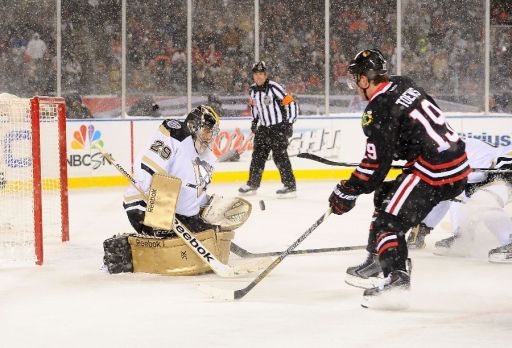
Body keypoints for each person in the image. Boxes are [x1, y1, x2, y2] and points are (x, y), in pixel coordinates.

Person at [327, 49, 470, 307]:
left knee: (387, 224)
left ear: (364, 80)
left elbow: (373, 169)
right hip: (455, 163)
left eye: (355, 79)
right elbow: (420, 120)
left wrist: (347, 190)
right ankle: (377, 259)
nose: (355, 86)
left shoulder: (379, 108)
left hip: (433, 171)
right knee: (385, 195)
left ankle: (396, 279)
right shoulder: (403, 83)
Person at [406, 138, 512, 262]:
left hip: (501, 178)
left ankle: (509, 240)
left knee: (482, 200)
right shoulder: (445, 154)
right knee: (451, 193)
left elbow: (503, 161)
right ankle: (463, 237)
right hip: (480, 181)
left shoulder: (463, 150)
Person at [123, 105, 220, 235]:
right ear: (193, 127)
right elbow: (149, 169)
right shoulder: (175, 135)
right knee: (166, 184)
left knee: (206, 232)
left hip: (175, 214)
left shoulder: (206, 157)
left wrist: (204, 208)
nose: (209, 138)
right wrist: (150, 202)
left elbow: (192, 192)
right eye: (207, 132)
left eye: (212, 133)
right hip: (143, 205)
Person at [238, 61, 298, 198]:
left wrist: (289, 123)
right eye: (256, 74)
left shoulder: (274, 87)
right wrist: (254, 120)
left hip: (278, 127)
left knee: (280, 156)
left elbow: (291, 103)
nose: (258, 77)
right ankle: (252, 184)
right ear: (253, 76)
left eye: (261, 74)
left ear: (265, 75)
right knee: (257, 156)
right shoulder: (252, 90)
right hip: (263, 128)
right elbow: (255, 107)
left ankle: (290, 186)